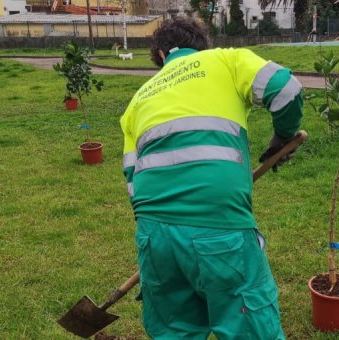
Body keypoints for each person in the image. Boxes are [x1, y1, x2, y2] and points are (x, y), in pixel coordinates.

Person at [119, 17, 303, 339]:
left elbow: (132, 176)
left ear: (161, 56)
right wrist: (283, 136)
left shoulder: (138, 99)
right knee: (249, 326)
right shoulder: (226, 60)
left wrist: (160, 231)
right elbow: (286, 89)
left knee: (174, 331)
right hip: (220, 232)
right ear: (203, 46)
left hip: (154, 237)